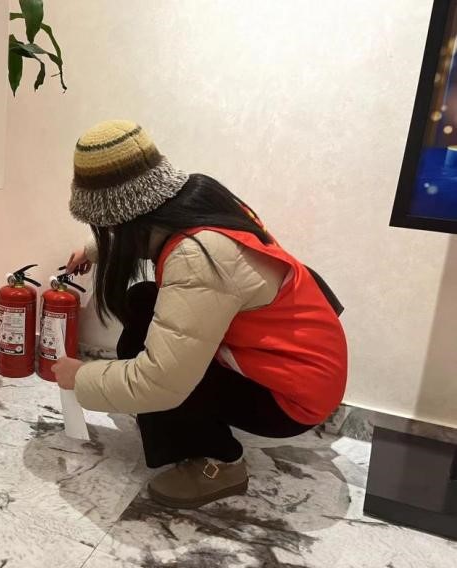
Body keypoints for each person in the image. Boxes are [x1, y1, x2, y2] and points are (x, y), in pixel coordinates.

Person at [52, 120, 348, 510]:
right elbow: (138, 226)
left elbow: (160, 380)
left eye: (105, 228)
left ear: (121, 219)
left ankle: (220, 465)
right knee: (144, 300)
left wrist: (81, 377)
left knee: (160, 365)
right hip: (304, 366)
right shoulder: (203, 200)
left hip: (291, 399)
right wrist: (95, 249)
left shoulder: (198, 256)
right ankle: (187, 430)